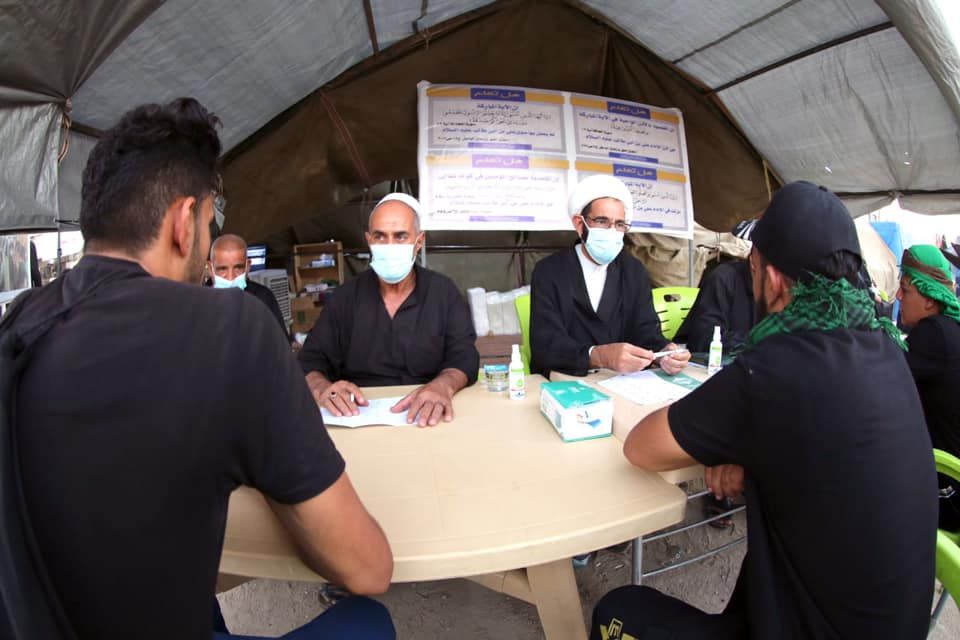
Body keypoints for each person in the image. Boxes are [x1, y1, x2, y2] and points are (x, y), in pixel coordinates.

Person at [3, 98, 395, 640]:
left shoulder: (20, 323)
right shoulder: (232, 330)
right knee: (370, 620)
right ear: (184, 223)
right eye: (210, 224)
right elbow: (367, 568)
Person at [591, 181, 937, 639]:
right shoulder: (886, 348)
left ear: (771, 280)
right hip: (894, 625)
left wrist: (741, 450)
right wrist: (756, 467)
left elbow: (642, 448)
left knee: (615, 611)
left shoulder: (773, 369)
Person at [298, 193, 478, 427]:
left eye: (401, 236)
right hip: (357, 416)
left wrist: (443, 385)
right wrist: (323, 388)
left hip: (429, 414)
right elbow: (310, 360)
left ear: (419, 241)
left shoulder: (443, 292)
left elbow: (464, 355)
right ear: (368, 240)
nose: (390, 246)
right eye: (380, 236)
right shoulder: (345, 298)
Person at [530, 175, 689, 377]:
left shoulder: (633, 271)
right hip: (568, 379)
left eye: (620, 224)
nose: (612, 231)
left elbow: (645, 331)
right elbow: (546, 345)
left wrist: (664, 352)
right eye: (602, 221)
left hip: (623, 381)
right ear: (580, 224)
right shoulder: (550, 271)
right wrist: (598, 356)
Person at [898, 243, 960, 531]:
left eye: (905, 289)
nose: (898, 297)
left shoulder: (933, 334)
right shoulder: (950, 329)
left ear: (929, 299)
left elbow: (882, 378)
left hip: (947, 490)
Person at [208, 233, 291, 341]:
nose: (231, 277)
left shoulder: (263, 298)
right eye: (222, 269)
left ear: (247, 267)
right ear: (210, 269)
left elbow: (280, 343)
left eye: (238, 268)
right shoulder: (199, 303)